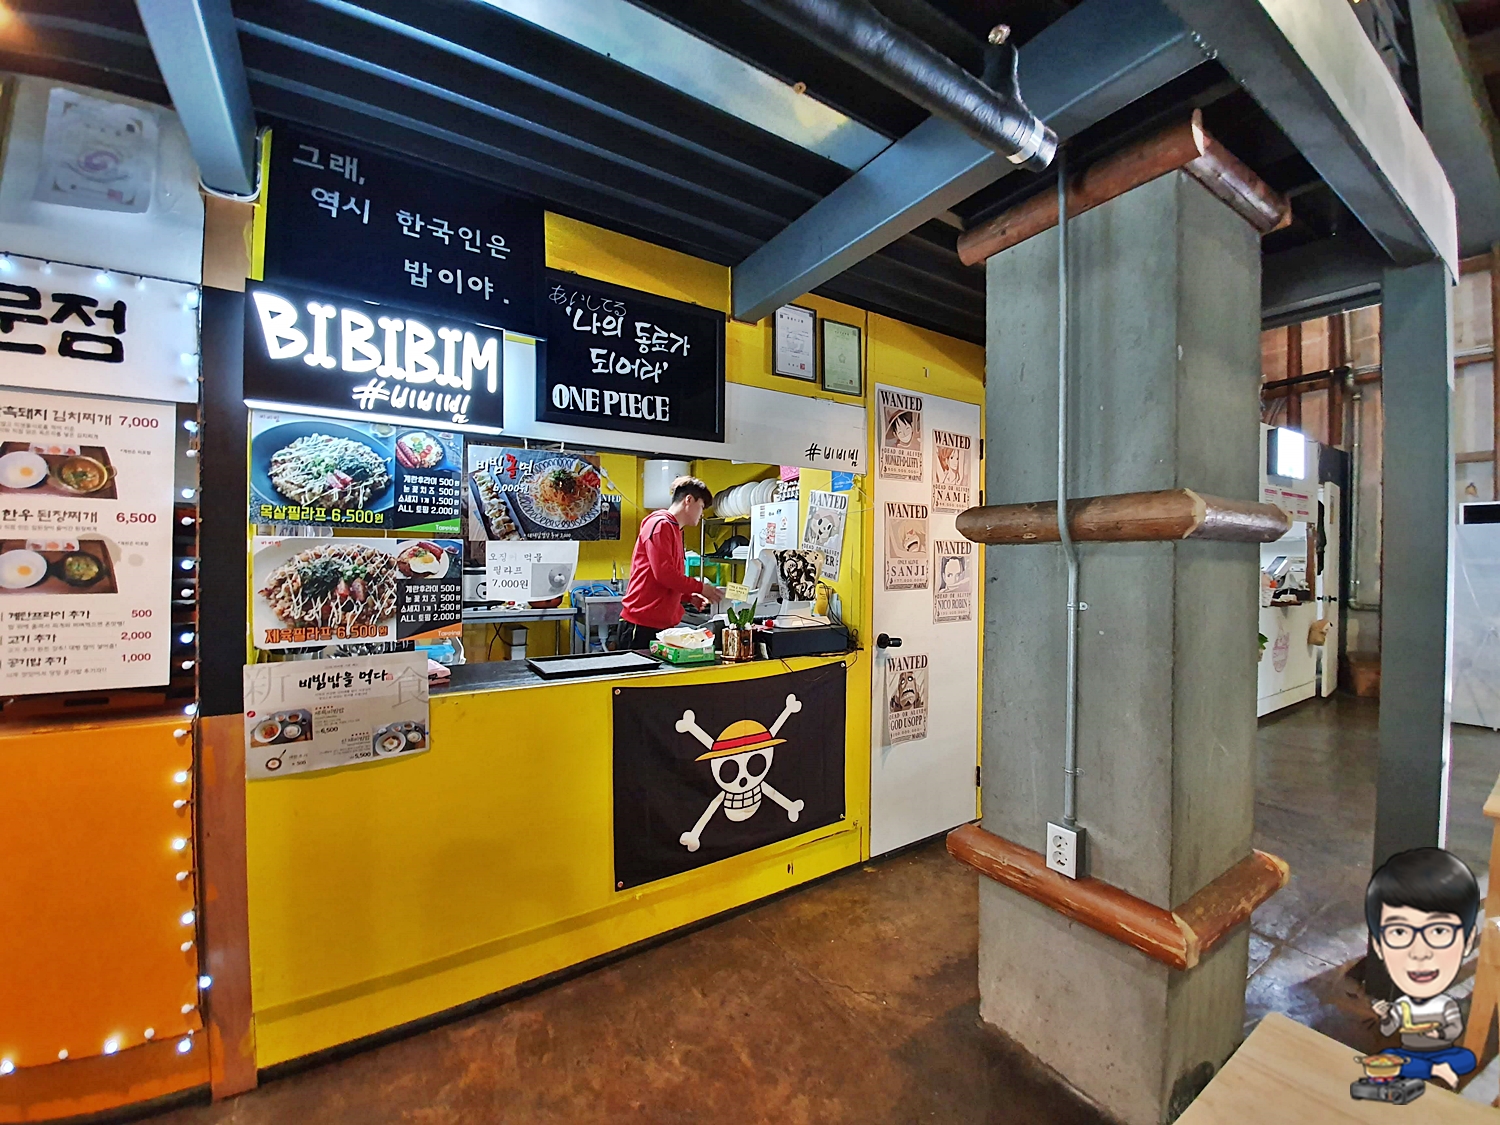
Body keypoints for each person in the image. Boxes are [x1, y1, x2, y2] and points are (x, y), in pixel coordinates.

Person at [1366, 847, 1481, 1088]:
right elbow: (1387, 1031)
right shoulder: (1402, 1005)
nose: (1420, 952)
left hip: (1444, 1051)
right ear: (1378, 946)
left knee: (1466, 1058)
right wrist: (1385, 1016)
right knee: (1388, 1056)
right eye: (1400, 932)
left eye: (1439, 931)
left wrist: (1439, 1034)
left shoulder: (1446, 1005)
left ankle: (1434, 1066)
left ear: (1468, 941)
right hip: (1408, 1053)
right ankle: (1434, 1070)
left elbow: (1454, 1028)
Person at [617, 476, 724, 650]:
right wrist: (701, 588)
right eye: (701, 506)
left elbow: (665, 580)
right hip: (641, 624)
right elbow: (664, 573)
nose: (702, 514)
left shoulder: (675, 529)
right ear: (689, 500)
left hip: (659, 625)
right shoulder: (660, 524)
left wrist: (688, 597)